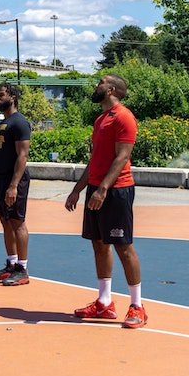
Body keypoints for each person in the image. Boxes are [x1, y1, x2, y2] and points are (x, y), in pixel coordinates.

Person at [64, 74, 147, 329]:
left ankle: (137, 306)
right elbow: (96, 160)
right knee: (99, 245)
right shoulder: (100, 119)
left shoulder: (124, 117)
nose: (96, 86)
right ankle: (105, 303)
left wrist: (102, 190)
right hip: (96, 189)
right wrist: (78, 189)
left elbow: (122, 157)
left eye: (100, 82)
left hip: (116, 191)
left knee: (123, 246)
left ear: (110, 89)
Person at [0, 82, 32, 286]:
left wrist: (13, 185)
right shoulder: (1, 124)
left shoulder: (20, 123)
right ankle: (11, 264)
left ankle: (22, 268)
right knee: (5, 220)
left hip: (15, 180)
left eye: (1, 95)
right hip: (0, 179)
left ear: (12, 97)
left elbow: (23, 156)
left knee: (17, 222)